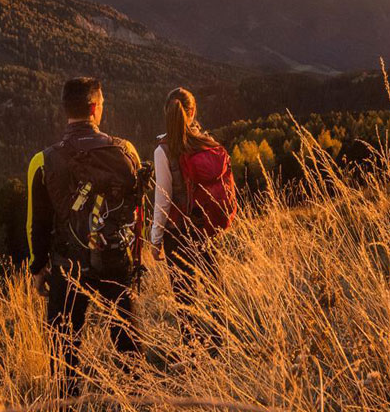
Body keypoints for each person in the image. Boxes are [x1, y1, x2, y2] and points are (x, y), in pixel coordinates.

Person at [27, 77, 146, 394]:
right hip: (115, 260)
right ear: (95, 108)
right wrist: (135, 257)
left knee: (63, 352)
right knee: (127, 342)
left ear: (67, 109)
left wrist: (39, 269)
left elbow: (36, 224)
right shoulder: (127, 151)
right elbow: (135, 211)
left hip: (68, 266)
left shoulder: (42, 161)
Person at [149, 88, 237, 328]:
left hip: (178, 232)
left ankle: (193, 352)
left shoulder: (164, 150)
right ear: (193, 111)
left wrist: (155, 239)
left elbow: (163, 198)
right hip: (207, 226)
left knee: (185, 298)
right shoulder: (209, 143)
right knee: (214, 288)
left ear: (167, 113)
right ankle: (222, 341)